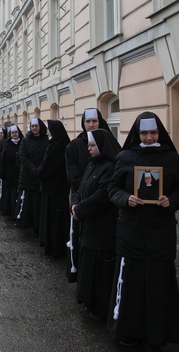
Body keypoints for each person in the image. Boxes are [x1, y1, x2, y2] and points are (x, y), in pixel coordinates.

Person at [107, 112, 179, 351]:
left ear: (159, 133)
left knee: (157, 285)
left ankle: (156, 334)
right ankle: (127, 332)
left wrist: (170, 201)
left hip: (160, 233)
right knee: (131, 283)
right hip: (131, 232)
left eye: (153, 133)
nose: (149, 137)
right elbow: (113, 188)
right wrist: (126, 198)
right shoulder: (125, 157)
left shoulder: (171, 159)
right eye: (145, 133)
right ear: (137, 134)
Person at [71, 129, 121, 320]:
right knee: (89, 267)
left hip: (102, 229)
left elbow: (102, 196)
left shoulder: (109, 167)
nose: (89, 149)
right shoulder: (92, 165)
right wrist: (75, 203)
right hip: (89, 227)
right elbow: (81, 188)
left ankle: (100, 306)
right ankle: (90, 301)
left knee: (100, 272)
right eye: (89, 145)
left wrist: (80, 209)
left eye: (92, 146)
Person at [65, 108, 112, 282]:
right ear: (83, 124)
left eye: (94, 121)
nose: (91, 125)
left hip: (100, 204)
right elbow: (74, 175)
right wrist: (81, 198)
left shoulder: (108, 141)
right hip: (81, 200)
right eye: (87, 122)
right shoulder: (74, 145)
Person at [37, 119, 71, 258]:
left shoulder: (56, 147)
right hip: (58, 188)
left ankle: (55, 247)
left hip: (54, 188)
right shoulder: (59, 145)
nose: (47, 131)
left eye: (49, 129)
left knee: (54, 220)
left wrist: (39, 172)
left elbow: (47, 167)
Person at [17, 117, 49, 236]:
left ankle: (38, 227)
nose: (34, 128)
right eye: (32, 126)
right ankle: (28, 225)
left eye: (36, 126)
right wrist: (33, 169)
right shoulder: (25, 140)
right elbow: (23, 157)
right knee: (29, 203)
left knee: (39, 204)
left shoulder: (46, 140)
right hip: (28, 176)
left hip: (41, 175)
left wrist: (41, 169)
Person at [0, 125, 23, 219]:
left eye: (16, 132)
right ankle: (12, 212)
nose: (14, 134)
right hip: (10, 173)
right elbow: (3, 160)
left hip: (21, 173)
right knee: (12, 194)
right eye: (13, 133)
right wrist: (3, 173)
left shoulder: (22, 143)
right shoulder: (7, 145)